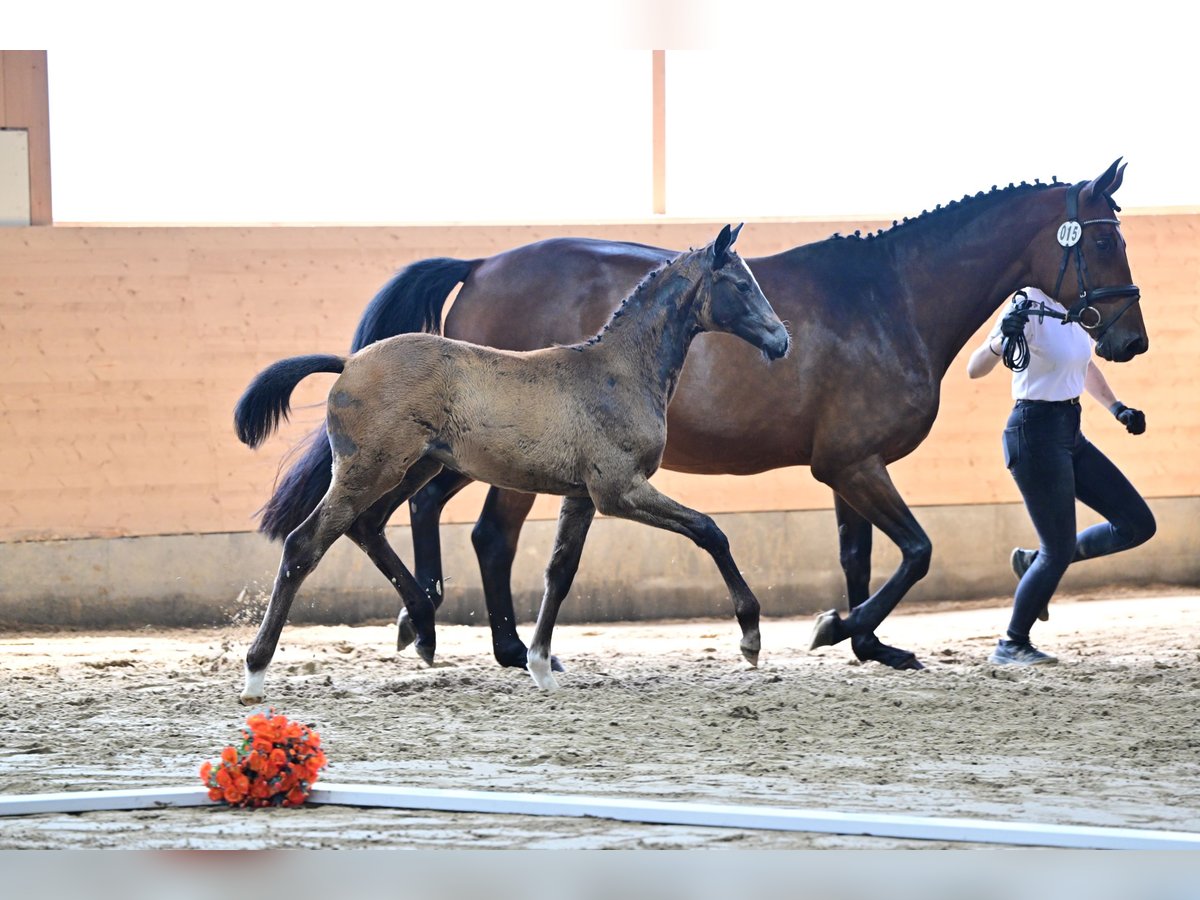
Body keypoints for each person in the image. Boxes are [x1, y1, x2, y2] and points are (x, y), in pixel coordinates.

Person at [966, 286, 1156, 666]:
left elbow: (1083, 364)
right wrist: (1002, 337)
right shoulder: (1027, 304)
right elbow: (975, 369)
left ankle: (1034, 561)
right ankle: (1011, 644)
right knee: (1059, 548)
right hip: (1033, 433)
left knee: (1137, 524)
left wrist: (1117, 408)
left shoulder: (1078, 307)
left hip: (1071, 431)